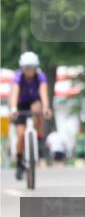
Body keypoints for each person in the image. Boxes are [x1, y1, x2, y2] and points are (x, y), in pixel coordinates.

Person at [10, 51, 52, 180]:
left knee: (37, 108)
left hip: (34, 103)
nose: (29, 71)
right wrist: (13, 109)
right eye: (26, 68)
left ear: (36, 68)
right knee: (21, 135)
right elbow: (14, 93)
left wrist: (46, 108)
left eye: (32, 68)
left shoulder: (40, 76)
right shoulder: (18, 77)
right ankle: (19, 162)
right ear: (22, 68)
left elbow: (44, 93)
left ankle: (39, 144)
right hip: (20, 106)